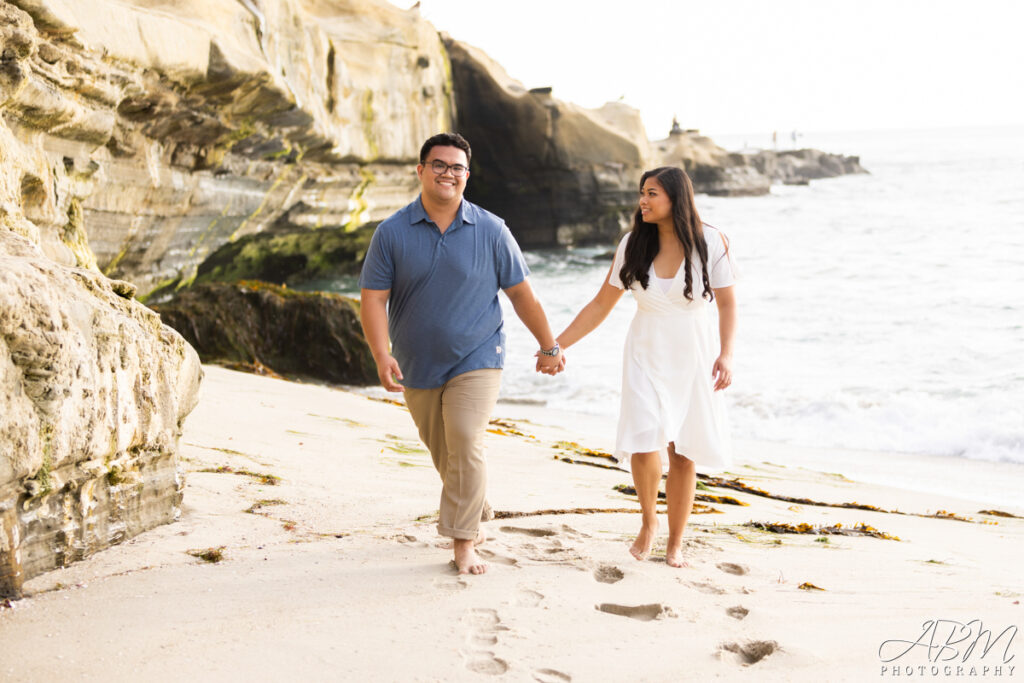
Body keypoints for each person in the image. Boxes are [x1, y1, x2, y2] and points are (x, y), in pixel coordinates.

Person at [358, 133, 564, 575]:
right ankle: (475, 508)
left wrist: (549, 346)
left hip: (479, 354)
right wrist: (380, 353)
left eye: (457, 167)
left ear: (467, 176)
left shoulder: (492, 230)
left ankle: (463, 541)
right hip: (416, 362)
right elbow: (373, 299)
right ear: (421, 170)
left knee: (466, 438)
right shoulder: (391, 232)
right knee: (445, 450)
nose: (447, 173)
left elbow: (522, 295)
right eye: (439, 164)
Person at [554, 166, 737, 568]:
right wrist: (557, 345)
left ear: (676, 197)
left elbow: (727, 303)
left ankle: (676, 541)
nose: (643, 200)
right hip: (644, 351)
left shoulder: (711, 241)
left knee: (683, 451)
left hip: (693, 353)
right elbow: (600, 304)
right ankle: (649, 520)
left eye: (652, 193)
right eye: (642, 192)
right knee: (643, 438)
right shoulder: (632, 243)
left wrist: (725, 355)